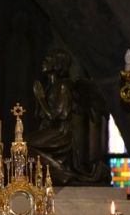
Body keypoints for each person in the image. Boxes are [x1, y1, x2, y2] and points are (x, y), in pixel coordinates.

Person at [28, 49, 108, 184]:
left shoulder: (63, 86)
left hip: (60, 133)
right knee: (21, 145)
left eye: (49, 59)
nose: (44, 62)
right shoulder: (48, 87)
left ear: (58, 64)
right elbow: (40, 115)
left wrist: (41, 99)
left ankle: (61, 173)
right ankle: (54, 172)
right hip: (48, 130)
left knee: (24, 145)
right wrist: (39, 100)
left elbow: (56, 116)